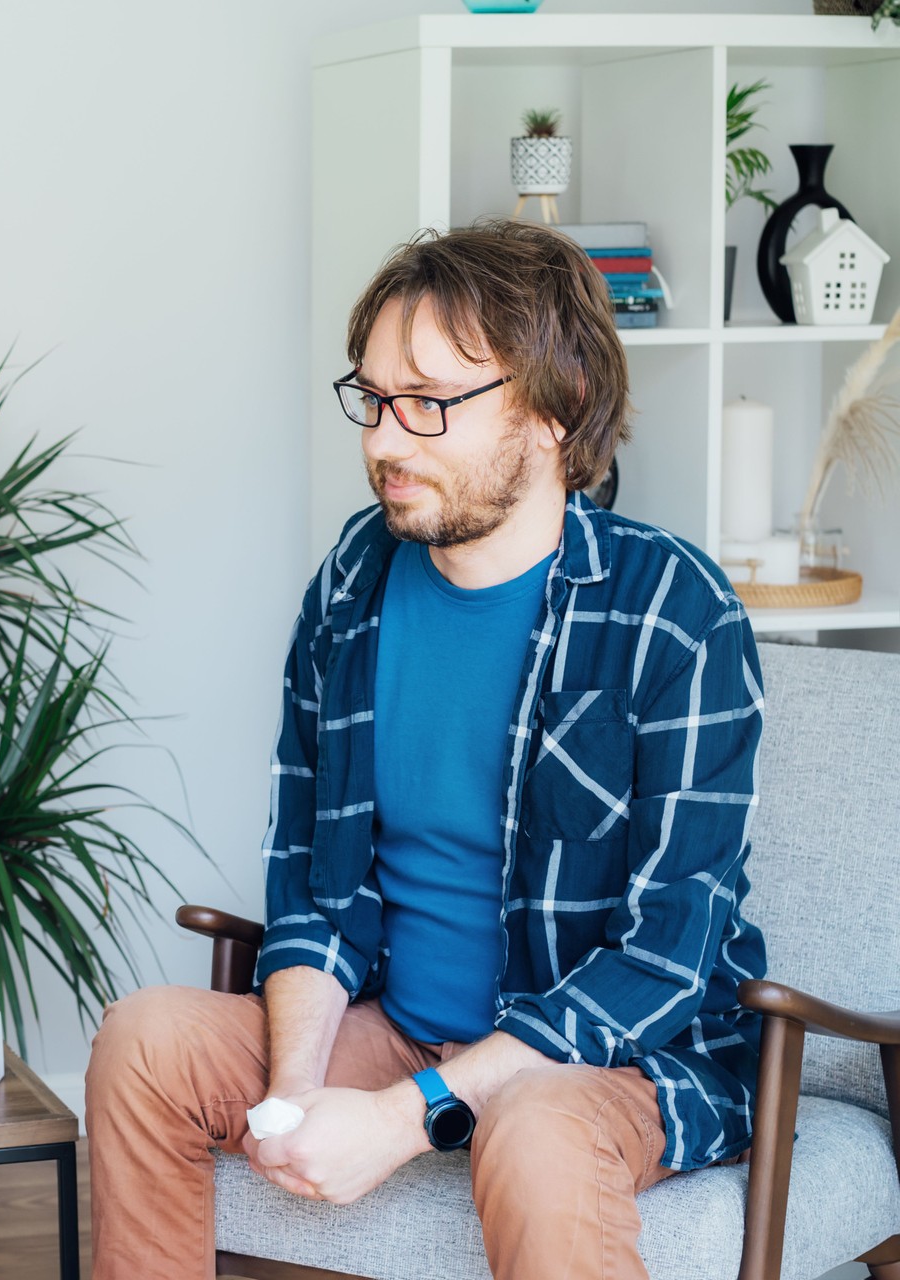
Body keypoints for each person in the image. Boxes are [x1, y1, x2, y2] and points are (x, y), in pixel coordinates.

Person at [85, 219, 766, 1280]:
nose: (384, 442)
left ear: (556, 406)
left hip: (615, 1060)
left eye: (430, 403)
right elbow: (313, 880)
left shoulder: (674, 611)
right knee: (146, 1040)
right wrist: (297, 1091)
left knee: (532, 1124)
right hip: (401, 1023)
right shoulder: (352, 585)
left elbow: (667, 955)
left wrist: (406, 1117)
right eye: (372, 398)